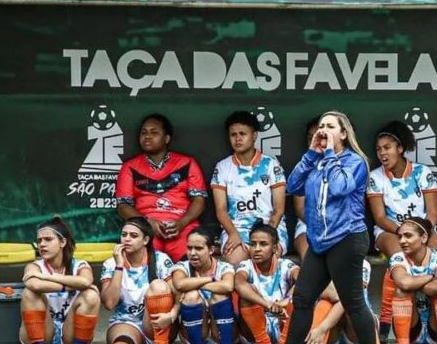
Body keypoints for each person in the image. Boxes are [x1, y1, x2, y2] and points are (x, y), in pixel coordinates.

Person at [250, 110, 383, 344]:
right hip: (319, 241)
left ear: (343, 133)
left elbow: (339, 188)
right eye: (321, 126)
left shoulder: (354, 161)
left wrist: (331, 154)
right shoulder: (317, 160)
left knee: (353, 302)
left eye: (330, 126)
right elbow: (294, 185)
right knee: (302, 299)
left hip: (347, 238)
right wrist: (312, 154)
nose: (323, 130)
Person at [368, 120, 437, 340]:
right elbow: (380, 217)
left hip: (423, 230)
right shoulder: (375, 177)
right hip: (389, 231)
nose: (382, 153)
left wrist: (420, 233)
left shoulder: (422, 172)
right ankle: (389, 319)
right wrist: (405, 232)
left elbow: (432, 214)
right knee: (399, 256)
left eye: (387, 147)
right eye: (379, 149)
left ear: (400, 148)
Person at [116, 114, 208, 262]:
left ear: (166, 138)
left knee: (191, 260)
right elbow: (123, 206)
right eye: (144, 133)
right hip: (146, 228)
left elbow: (199, 200)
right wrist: (147, 222)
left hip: (182, 227)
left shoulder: (187, 163)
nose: (147, 137)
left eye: (154, 133)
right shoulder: (129, 167)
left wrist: (182, 223)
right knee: (147, 261)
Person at [101, 217, 177, 344]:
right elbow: (109, 303)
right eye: (124, 235)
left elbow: (179, 295)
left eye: (133, 236)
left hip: (157, 322)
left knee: (158, 285)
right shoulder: (110, 263)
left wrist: (171, 316)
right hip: (126, 321)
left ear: (146, 240)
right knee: (123, 342)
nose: (127, 239)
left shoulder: (161, 260)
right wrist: (119, 266)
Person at [19, 216, 100, 344]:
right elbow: (34, 285)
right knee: (28, 292)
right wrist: (70, 285)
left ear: (63, 242)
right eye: (39, 241)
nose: (42, 244)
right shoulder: (34, 266)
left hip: (71, 334)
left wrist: (47, 277)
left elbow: (85, 281)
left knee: (91, 295)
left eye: (48, 239)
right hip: (43, 333)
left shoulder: (80, 265)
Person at [212, 111, 288, 264]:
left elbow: (279, 209)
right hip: (237, 229)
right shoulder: (222, 167)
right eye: (233, 135)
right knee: (235, 262)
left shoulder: (271, 164)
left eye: (242, 134)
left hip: (270, 226)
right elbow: (221, 210)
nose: (238, 138)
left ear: (254, 136)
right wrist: (233, 234)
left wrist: (269, 235)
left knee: (269, 261)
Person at [235, 222, 300, 344]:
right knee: (247, 291)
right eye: (253, 244)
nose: (257, 249)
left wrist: (286, 300)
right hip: (256, 331)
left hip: (284, 324)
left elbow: (304, 280)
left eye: (263, 244)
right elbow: (239, 284)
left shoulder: (285, 265)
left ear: (275, 248)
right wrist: (268, 304)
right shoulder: (246, 265)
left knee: (300, 296)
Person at [170, 227, 236, 344]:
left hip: (219, 331)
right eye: (189, 248)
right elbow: (180, 284)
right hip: (193, 334)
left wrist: (194, 284)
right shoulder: (181, 267)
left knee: (219, 295)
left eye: (198, 248)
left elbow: (228, 286)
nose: (192, 253)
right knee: (191, 296)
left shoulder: (224, 267)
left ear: (211, 250)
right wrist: (210, 280)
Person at [303, 259, 377, 344]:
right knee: (324, 303)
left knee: (353, 304)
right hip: (330, 335)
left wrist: (322, 328)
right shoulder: (318, 263)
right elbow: (323, 292)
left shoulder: (361, 263)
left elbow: (348, 298)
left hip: (354, 334)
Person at [292, 117, 320, 261]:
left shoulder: (351, 165)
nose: (315, 143)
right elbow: (300, 208)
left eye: (321, 137)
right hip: (308, 226)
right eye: (311, 138)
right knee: (311, 260)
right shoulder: (303, 168)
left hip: (342, 227)